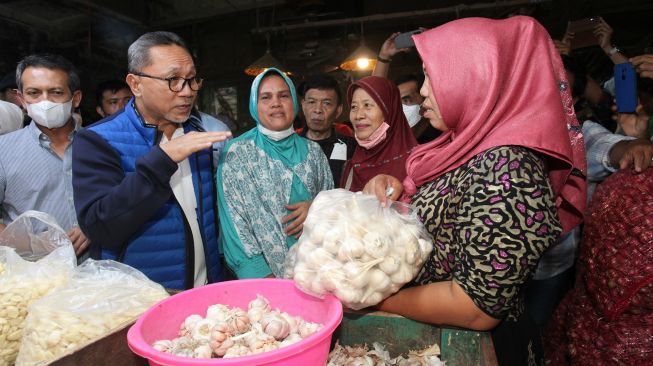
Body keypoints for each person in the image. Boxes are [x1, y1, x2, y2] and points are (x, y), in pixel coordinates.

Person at [363, 17, 586, 365]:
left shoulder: (509, 169)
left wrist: (377, 301)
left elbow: (476, 307)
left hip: (477, 346)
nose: (422, 91)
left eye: (431, 77)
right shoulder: (466, 146)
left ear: (476, 79)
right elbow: (450, 203)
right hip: (439, 335)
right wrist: (395, 191)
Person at [72, 31, 231, 289]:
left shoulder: (197, 133)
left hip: (203, 290)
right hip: (138, 299)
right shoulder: (98, 140)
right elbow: (100, 227)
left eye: (191, 80)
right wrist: (162, 161)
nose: (187, 91)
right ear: (135, 84)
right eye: (173, 80)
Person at [217, 68, 333, 279]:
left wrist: (317, 208)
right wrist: (264, 280)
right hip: (264, 281)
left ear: (294, 103)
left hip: (316, 274)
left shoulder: (314, 153)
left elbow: (334, 208)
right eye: (266, 97)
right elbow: (235, 224)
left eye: (283, 95)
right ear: (254, 105)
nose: (276, 103)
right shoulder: (238, 153)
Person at [0, 54, 89, 256]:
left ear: (75, 98)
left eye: (56, 92)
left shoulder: (101, 144)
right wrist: (33, 244)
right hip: (33, 275)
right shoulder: (3, 151)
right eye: (34, 93)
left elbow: (125, 202)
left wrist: (97, 227)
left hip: (100, 271)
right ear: (21, 99)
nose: (45, 102)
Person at [341, 75, 417, 191]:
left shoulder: (416, 163)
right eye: (354, 107)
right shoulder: (352, 167)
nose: (358, 115)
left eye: (367, 105)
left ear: (389, 110)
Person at [373, 33, 440, 143]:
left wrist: (435, 48)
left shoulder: (442, 138)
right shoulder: (390, 138)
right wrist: (384, 56)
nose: (401, 108)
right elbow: (374, 97)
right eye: (397, 103)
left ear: (426, 101)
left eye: (406, 100)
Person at [298, 74, 356, 186]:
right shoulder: (290, 147)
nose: (318, 110)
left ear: (338, 111)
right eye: (311, 102)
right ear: (303, 106)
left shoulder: (351, 147)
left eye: (326, 103)